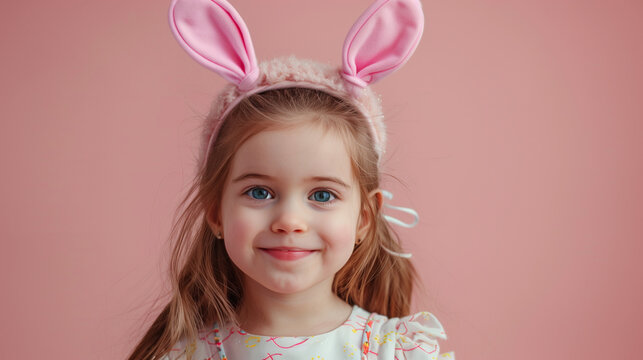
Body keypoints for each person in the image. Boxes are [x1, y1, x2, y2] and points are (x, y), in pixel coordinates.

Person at [129, 0, 454, 359]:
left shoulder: (395, 351)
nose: (289, 221)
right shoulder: (185, 354)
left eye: (322, 195)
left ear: (364, 217)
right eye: (259, 191)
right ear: (216, 212)